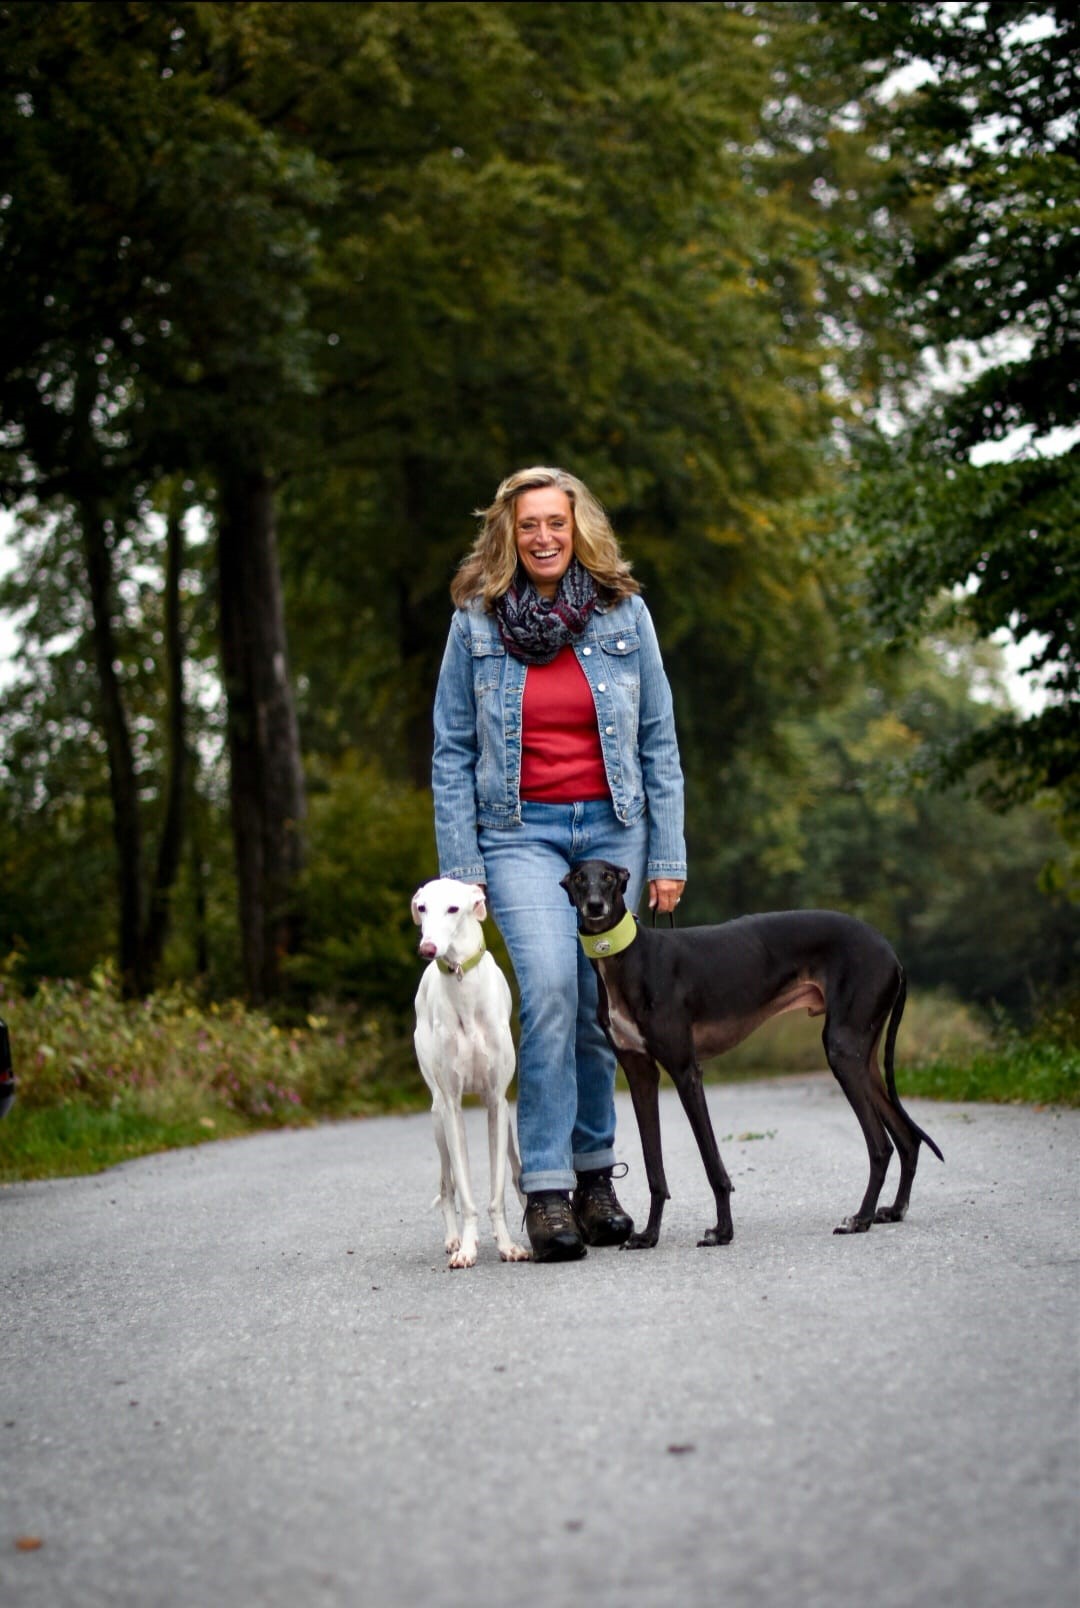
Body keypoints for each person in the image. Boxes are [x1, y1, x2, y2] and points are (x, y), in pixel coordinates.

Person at [431, 466, 687, 1262]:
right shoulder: (475, 622)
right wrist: (461, 866)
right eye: (529, 524)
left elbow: (657, 741)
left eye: (557, 523)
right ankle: (543, 1191)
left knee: (596, 1007)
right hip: (517, 834)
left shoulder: (624, 613)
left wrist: (669, 850)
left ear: (579, 530)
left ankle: (594, 1179)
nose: (544, 537)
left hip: (615, 829)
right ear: (508, 533)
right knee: (545, 989)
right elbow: (452, 750)